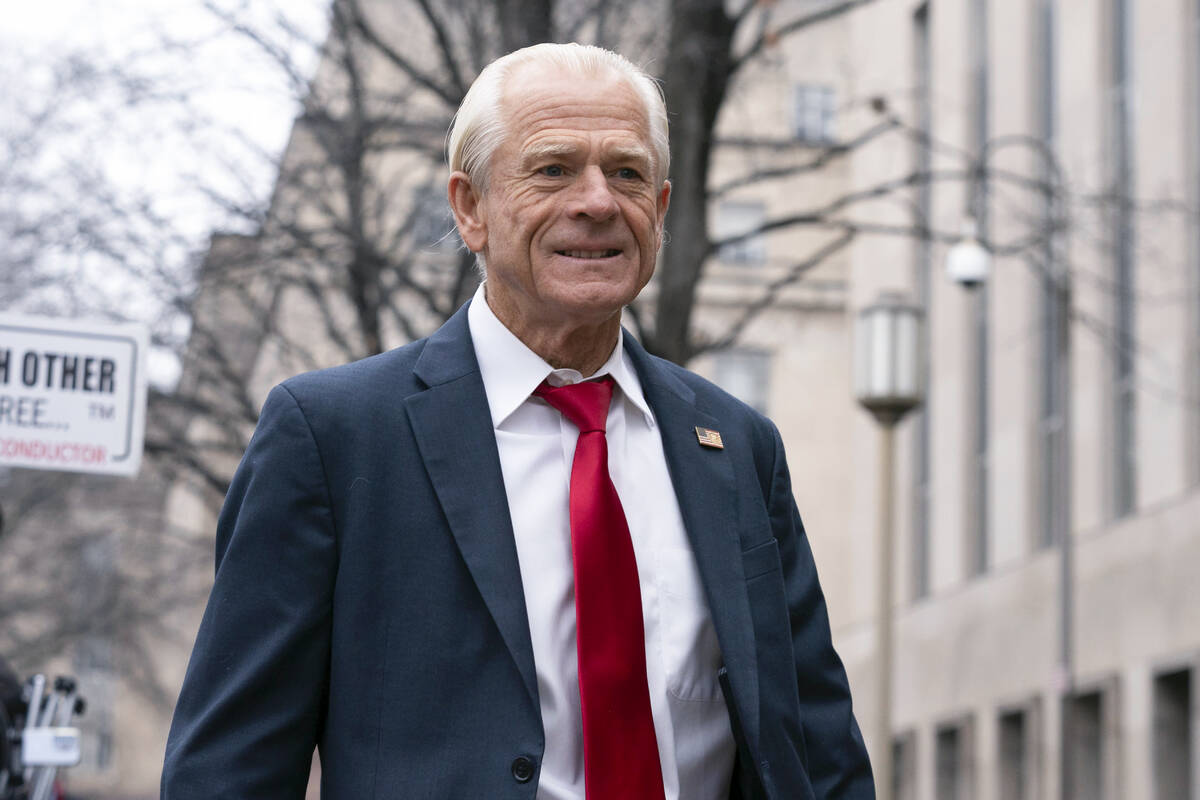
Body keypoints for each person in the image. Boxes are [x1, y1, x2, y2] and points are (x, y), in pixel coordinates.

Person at [161, 42, 873, 799]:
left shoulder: (737, 447)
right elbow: (229, 769)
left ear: (660, 211)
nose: (598, 201)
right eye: (554, 169)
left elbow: (816, 750)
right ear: (469, 208)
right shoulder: (333, 437)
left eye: (627, 172)